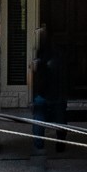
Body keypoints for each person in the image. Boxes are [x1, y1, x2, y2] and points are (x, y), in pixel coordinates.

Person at [29, 26, 70, 156]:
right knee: (60, 119)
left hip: (43, 92)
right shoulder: (60, 54)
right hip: (57, 93)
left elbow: (36, 72)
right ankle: (60, 144)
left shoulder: (41, 53)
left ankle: (39, 146)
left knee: (39, 118)